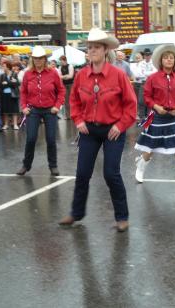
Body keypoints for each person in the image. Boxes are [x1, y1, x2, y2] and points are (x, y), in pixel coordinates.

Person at [59, 28, 137, 232]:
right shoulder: (82, 75)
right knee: (82, 173)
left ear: (105, 50)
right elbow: (74, 100)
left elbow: (131, 105)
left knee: (111, 174)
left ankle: (122, 217)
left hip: (113, 131)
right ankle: (76, 213)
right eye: (90, 47)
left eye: (96, 47)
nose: (92, 50)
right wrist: (77, 120)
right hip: (89, 131)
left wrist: (120, 126)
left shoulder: (118, 75)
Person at [134, 44, 175, 184]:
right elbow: (147, 97)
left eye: (171, 57)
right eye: (166, 57)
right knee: (150, 146)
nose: (169, 60)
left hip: (174, 116)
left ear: (174, 61)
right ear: (161, 61)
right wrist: (156, 107)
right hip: (156, 116)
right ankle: (140, 168)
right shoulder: (153, 78)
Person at [16, 46, 65, 177]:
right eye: (35, 58)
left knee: (51, 139)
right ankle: (26, 165)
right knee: (31, 138)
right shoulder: (28, 74)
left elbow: (61, 90)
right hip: (33, 110)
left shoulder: (53, 72)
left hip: (50, 110)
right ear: (33, 59)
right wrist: (24, 106)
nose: (38, 61)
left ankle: (53, 165)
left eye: (40, 58)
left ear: (45, 59)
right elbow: (23, 92)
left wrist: (57, 105)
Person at [0, 61, 20, 130]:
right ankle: (6, 124)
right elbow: (1, 85)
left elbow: (17, 83)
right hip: (4, 94)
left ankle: (15, 124)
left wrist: (7, 83)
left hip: (13, 94)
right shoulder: (2, 75)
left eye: (4, 66)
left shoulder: (14, 74)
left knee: (14, 110)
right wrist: (11, 82)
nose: (3, 67)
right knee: (5, 110)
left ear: (8, 67)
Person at [58, 55, 75, 120]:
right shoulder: (60, 67)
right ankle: (68, 115)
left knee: (72, 99)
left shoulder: (70, 66)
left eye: (61, 61)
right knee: (66, 101)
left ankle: (73, 114)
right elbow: (59, 76)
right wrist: (66, 76)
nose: (60, 62)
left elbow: (71, 76)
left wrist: (63, 76)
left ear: (64, 60)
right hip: (64, 85)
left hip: (71, 84)